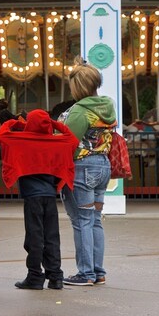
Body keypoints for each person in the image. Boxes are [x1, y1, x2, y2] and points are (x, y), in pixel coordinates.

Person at [0, 109, 77, 290]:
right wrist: (53, 123)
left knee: (34, 237)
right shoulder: (56, 142)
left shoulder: (21, 141)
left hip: (32, 197)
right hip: (49, 196)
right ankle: (55, 277)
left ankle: (34, 276)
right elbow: (73, 139)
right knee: (52, 236)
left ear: (30, 123)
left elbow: (0, 135)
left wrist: (17, 123)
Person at [61, 60, 115, 287]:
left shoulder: (80, 111)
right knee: (95, 221)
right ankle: (98, 271)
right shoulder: (107, 106)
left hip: (82, 168)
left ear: (78, 87)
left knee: (81, 220)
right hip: (103, 166)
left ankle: (85, 273)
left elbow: (67, 143)